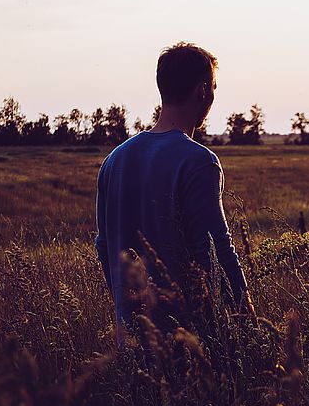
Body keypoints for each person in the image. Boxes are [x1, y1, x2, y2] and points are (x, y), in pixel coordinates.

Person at [95, 42, 252, 332]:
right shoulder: (198, 160)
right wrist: (249, 321)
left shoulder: (113, 161)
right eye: (213, 87)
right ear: (203, 91)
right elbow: (216, 251)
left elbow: (104, 246)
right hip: (189, 343)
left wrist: (125, 312)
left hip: (133, 340)